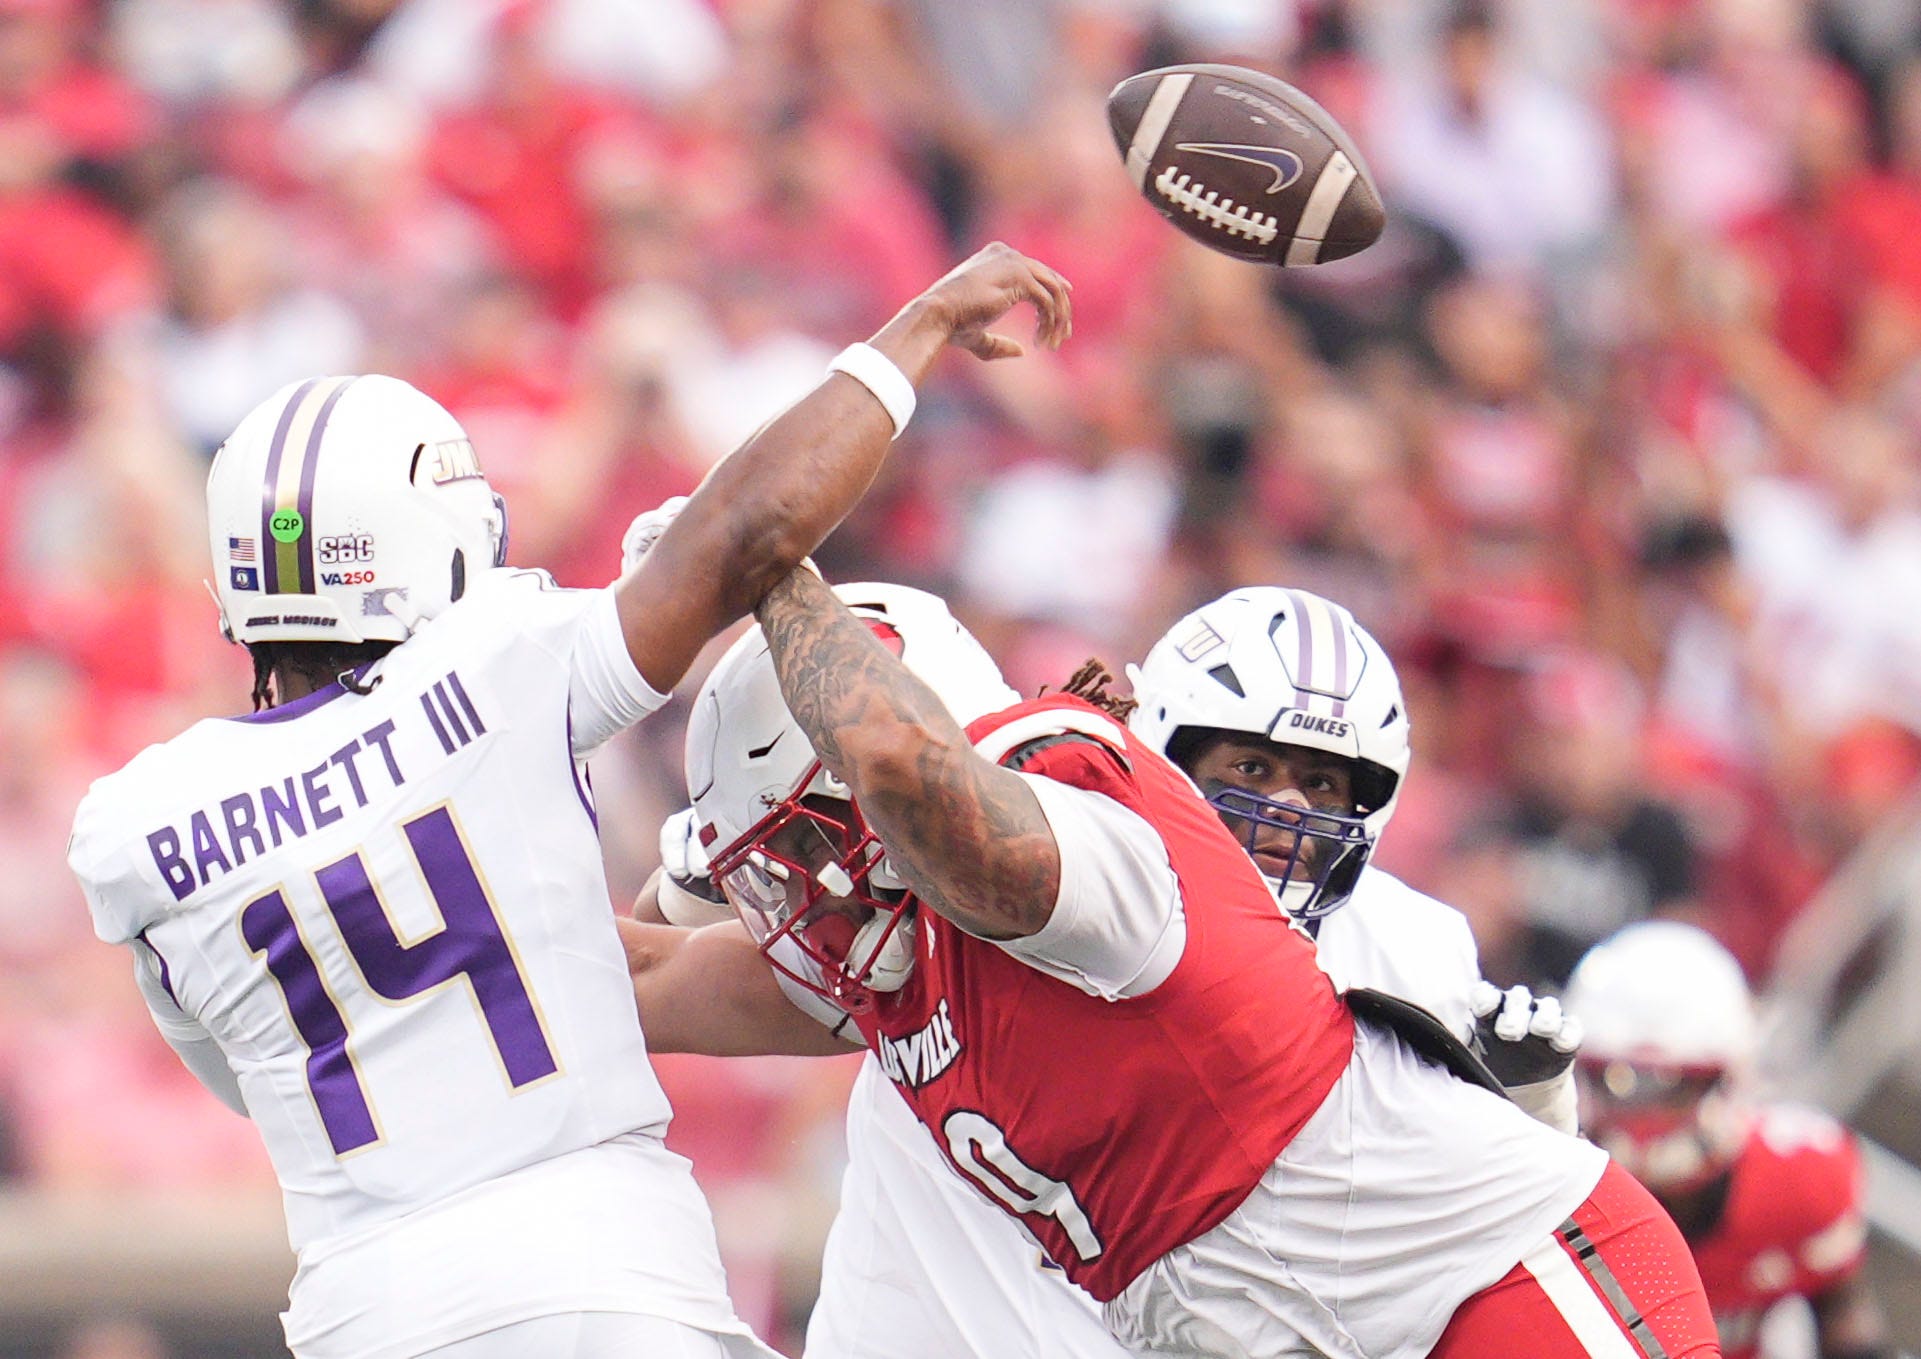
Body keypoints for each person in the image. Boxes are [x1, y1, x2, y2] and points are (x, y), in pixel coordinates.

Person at [64, 244, 1072, 1359]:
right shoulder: (498, 666)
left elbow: (269, 1073)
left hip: (366, 1314)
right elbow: (745, 531)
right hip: (597, 1270)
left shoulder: (138, 825)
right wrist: (915, 330)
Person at [628, 569, 1720, 1358]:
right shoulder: (925, 939)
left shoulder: (1122, 874)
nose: (1284, 812)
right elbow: (653, 977)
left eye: (1323, 787)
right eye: (1249, 765)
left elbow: (911, 768)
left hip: (1476, 1304)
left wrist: (766, 557)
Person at [1565, 922, 1895, 1359]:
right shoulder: (1537, 1186)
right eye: (1617, 1080)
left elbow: (1844, 1321)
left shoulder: (1801, 1182)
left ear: (1734, 1077)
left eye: (1674, 1086)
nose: (1648, 1113)